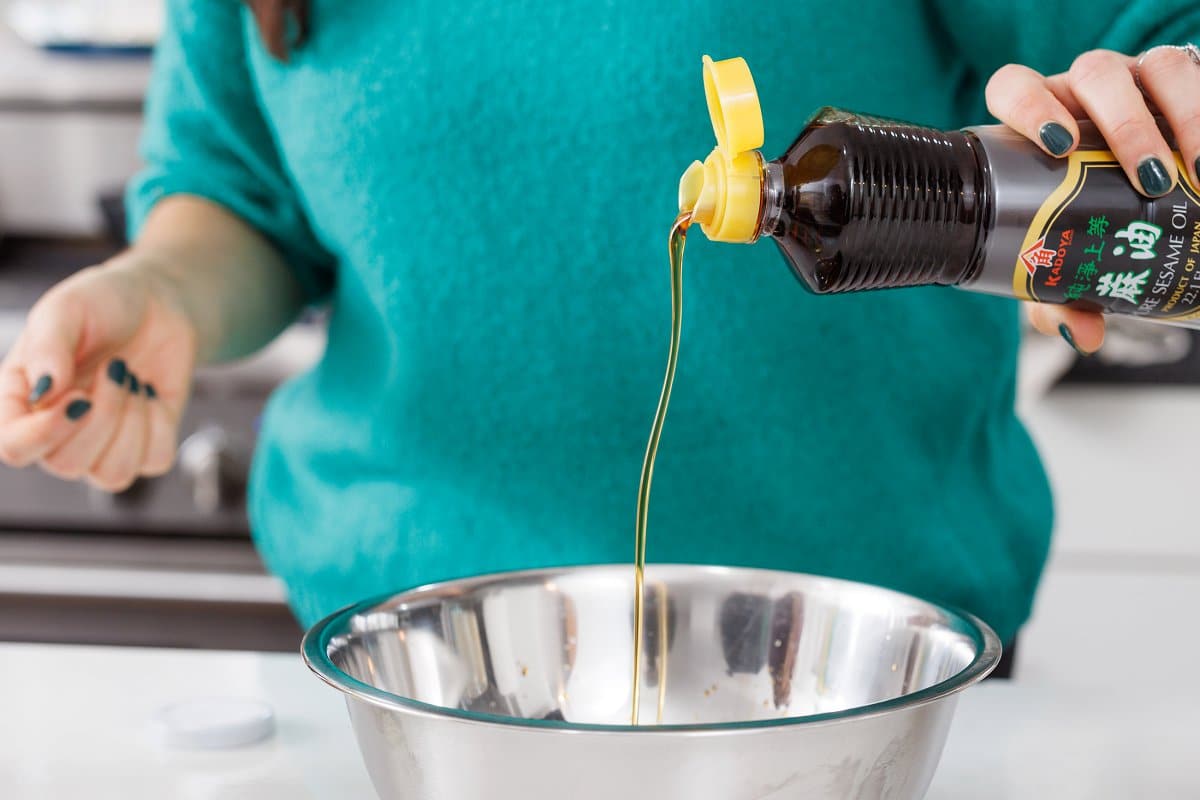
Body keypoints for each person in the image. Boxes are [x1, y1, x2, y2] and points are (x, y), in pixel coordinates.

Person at [0, 0, 1196, 645]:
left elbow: (1155, 31)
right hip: (413, 661)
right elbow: (241, 190)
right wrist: (163, 292)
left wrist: (1169, 92)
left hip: (869, 664)